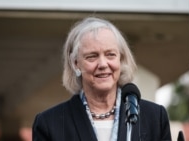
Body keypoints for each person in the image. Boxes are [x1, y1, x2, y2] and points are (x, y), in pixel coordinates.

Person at [32, 16, 172, 141]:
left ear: (121, 59)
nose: (103, 64)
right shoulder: (49, 123)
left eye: (110, 54)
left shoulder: (154, 117)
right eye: (92, 56)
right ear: (76, 64)